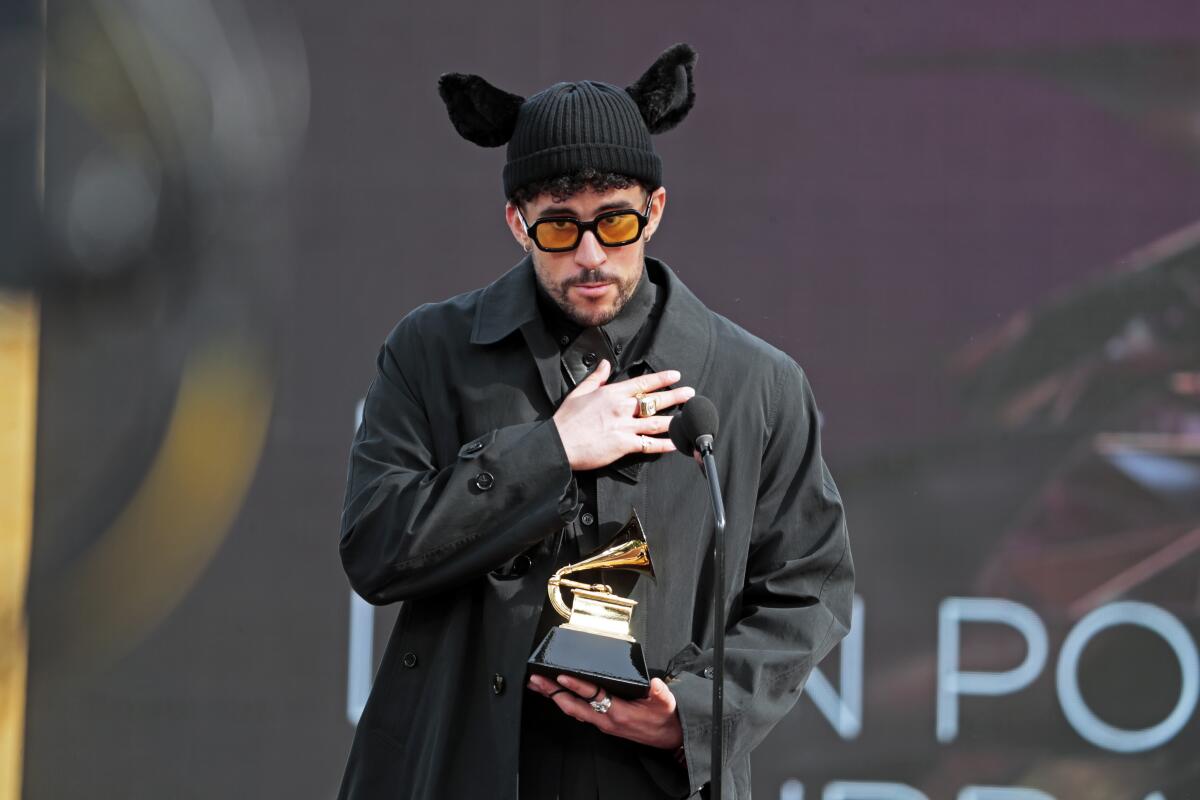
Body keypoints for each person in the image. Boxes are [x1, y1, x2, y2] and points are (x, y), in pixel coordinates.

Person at [336, 43, 853, 800]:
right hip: (455, 768)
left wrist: (700, 719)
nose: (588, 255)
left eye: (614, 224)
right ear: (517, 222)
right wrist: (550, 452)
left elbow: (812, 586)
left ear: (655, 211)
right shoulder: (432, 352)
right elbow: (375, 546)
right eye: (558, 229)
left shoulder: (757, 384)